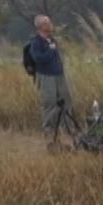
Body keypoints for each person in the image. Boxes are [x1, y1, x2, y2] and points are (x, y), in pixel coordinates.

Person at [26, 15, 70, 149]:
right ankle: (49, 133)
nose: (51, 25)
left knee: (66, 101)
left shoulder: (52, 40)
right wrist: (50, 51)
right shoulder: (36, 42)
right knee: (49, 103)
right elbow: (38, 58)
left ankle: (66, 129)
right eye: (48, 23)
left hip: (59, 75)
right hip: (46, 76)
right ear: (41, 26)